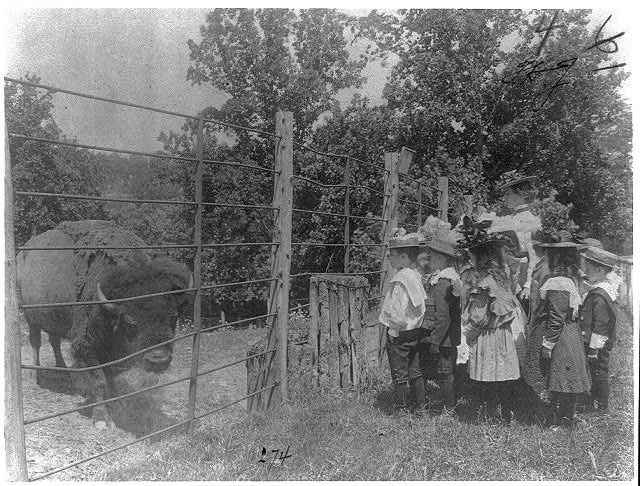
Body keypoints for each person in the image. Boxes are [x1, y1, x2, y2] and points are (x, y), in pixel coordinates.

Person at [458, 219, 525, 424]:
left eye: (473, 256)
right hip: (504, 336)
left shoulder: (485, 284)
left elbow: (479, 317)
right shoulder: (502, 278)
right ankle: (506, 415)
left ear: (481, 258)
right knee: (503, 376)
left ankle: (489, 416)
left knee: (488, 378)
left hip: (488, 337)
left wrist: (468, 334)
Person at [523, 231, 591, 427]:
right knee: (562, 380)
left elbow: (556, 317)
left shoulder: (558, 282)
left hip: (561, 338)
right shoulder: (568, 279)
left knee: (560, 379)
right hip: (568, 335)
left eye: (548, 255)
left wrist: (548, 344)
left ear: (555, 257)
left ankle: (561, 419)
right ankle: (563, 417)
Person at [379, 229, 427, 414]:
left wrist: (393, 333)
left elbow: (398, 312)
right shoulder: (415, 277)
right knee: (415, 371)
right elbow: (420, 307)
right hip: (414, 332)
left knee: (399, 374)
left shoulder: (400, 281)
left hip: (399, 334)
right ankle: (421, 407)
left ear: (404, 257)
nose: (389, 259)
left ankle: (400, 409)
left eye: (393, 255)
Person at [417, 217, 462, 414]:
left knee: (445, 373)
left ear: (442, 258)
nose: (430, 260)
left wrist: (434, 340)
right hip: (449, 337)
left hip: (444, 339)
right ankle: (449, 404)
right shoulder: (449, 278)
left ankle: (449, 408)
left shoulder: (444, 281)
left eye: (433, 256)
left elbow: (443, 316)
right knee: (447, 372)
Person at [579, 246, 621, 415]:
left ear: (600, 269)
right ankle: (594, 401)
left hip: (596, 343)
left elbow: (601, 324)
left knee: (598, 372)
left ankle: (602, 407)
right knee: (595, 371)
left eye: (588, 267)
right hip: (596, 342)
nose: (585, 270)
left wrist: (593, 348)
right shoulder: (601, 290)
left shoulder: (600, 294)